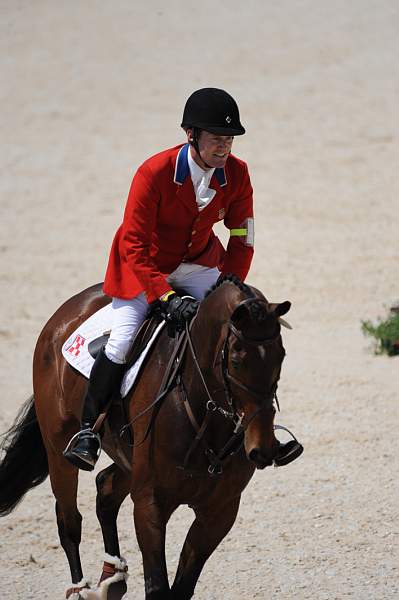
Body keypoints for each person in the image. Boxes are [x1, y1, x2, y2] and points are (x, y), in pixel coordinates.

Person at [64, 88, 301, 471]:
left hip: (199, 264)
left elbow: (242, 237)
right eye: (216, 139)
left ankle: (263, 428)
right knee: (123, 340)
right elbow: (135, 244)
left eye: (229, 140)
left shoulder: (237, 174)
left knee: (246, 325)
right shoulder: (153, 173)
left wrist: (229, 287)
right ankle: (89, 431)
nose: (224, 148)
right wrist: (164, 296)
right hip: (145, 268)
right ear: (191, 135)